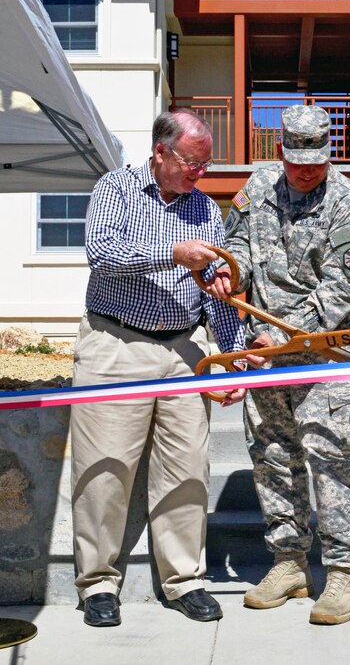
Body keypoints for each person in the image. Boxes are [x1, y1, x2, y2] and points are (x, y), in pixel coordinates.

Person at [70, 109, 246, 627]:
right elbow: (101, 253)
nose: (200, 173)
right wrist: (173, 253)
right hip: (115, 344)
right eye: (194, 162)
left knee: (187, 470)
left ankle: (185, 579)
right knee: (104, 470)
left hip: (184, 349)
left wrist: (230, 357)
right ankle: (98, 583)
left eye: (206, 164)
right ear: (161, 152)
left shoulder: (206, 211)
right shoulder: (115, 189)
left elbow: (216, 294)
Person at [211, 104, 350, 625]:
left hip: (331, 356)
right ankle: (288, 563)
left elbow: (339, 292)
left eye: (317, 161)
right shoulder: (259, 185)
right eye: (297, 160)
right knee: (272, 455)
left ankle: (343, 576)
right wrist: (228, 270)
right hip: (268, 357)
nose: (307, 170)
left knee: (333, 462)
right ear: (281, 151)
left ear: (329, 154)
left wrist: (275, 337)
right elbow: (236, 239)